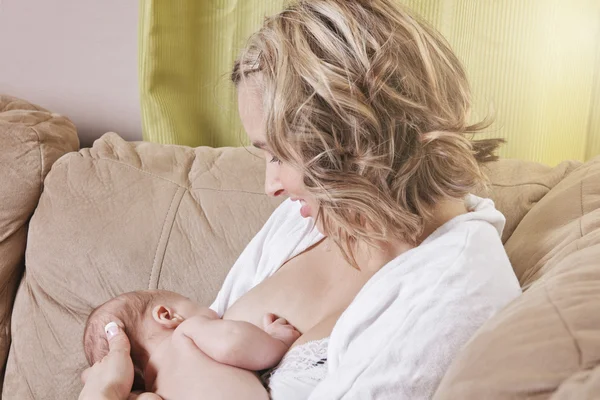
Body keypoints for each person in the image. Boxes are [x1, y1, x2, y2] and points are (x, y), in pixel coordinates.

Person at [80, 0, 522, 398]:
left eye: (279, 154)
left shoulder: (451, 290)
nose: (271, 186)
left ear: (351, 138)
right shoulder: (311, 218)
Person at [82, 290, 300, 399]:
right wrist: (276, 340)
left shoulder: (154, 394)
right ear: (167, 315)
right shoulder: (186, 333)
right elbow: (233, 342)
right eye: (194, 303)